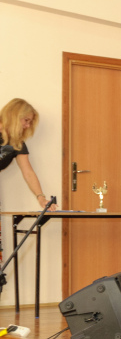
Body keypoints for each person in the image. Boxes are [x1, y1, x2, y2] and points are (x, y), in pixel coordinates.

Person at [0, 99, 54, 265]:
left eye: (30, 122)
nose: (27, 126)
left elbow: (28, 172)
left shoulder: (16, 143)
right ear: (15, 116)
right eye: (26, 120)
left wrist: (41, 197)